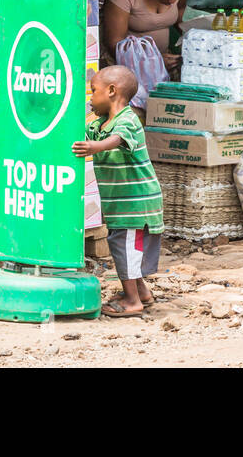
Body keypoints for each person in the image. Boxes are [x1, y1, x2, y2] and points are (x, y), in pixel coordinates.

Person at [73, 65, 165, 318]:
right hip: (121, 205)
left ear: (112, 91)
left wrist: (96, 147)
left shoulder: (128, 119)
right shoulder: (101, 123)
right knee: (125, 250)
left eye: (94, 92)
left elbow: (118, 139)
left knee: (126, 250)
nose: (91, 98)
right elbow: (83, 133)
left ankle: (132, 300)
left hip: (136, 204)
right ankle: (142, 293)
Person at [102, 0, 192, 75]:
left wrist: (193, 39)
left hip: (163, 64)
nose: (172, 2)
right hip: (129, 68)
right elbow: (114, 42)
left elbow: (180, 12)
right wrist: (149, 62)